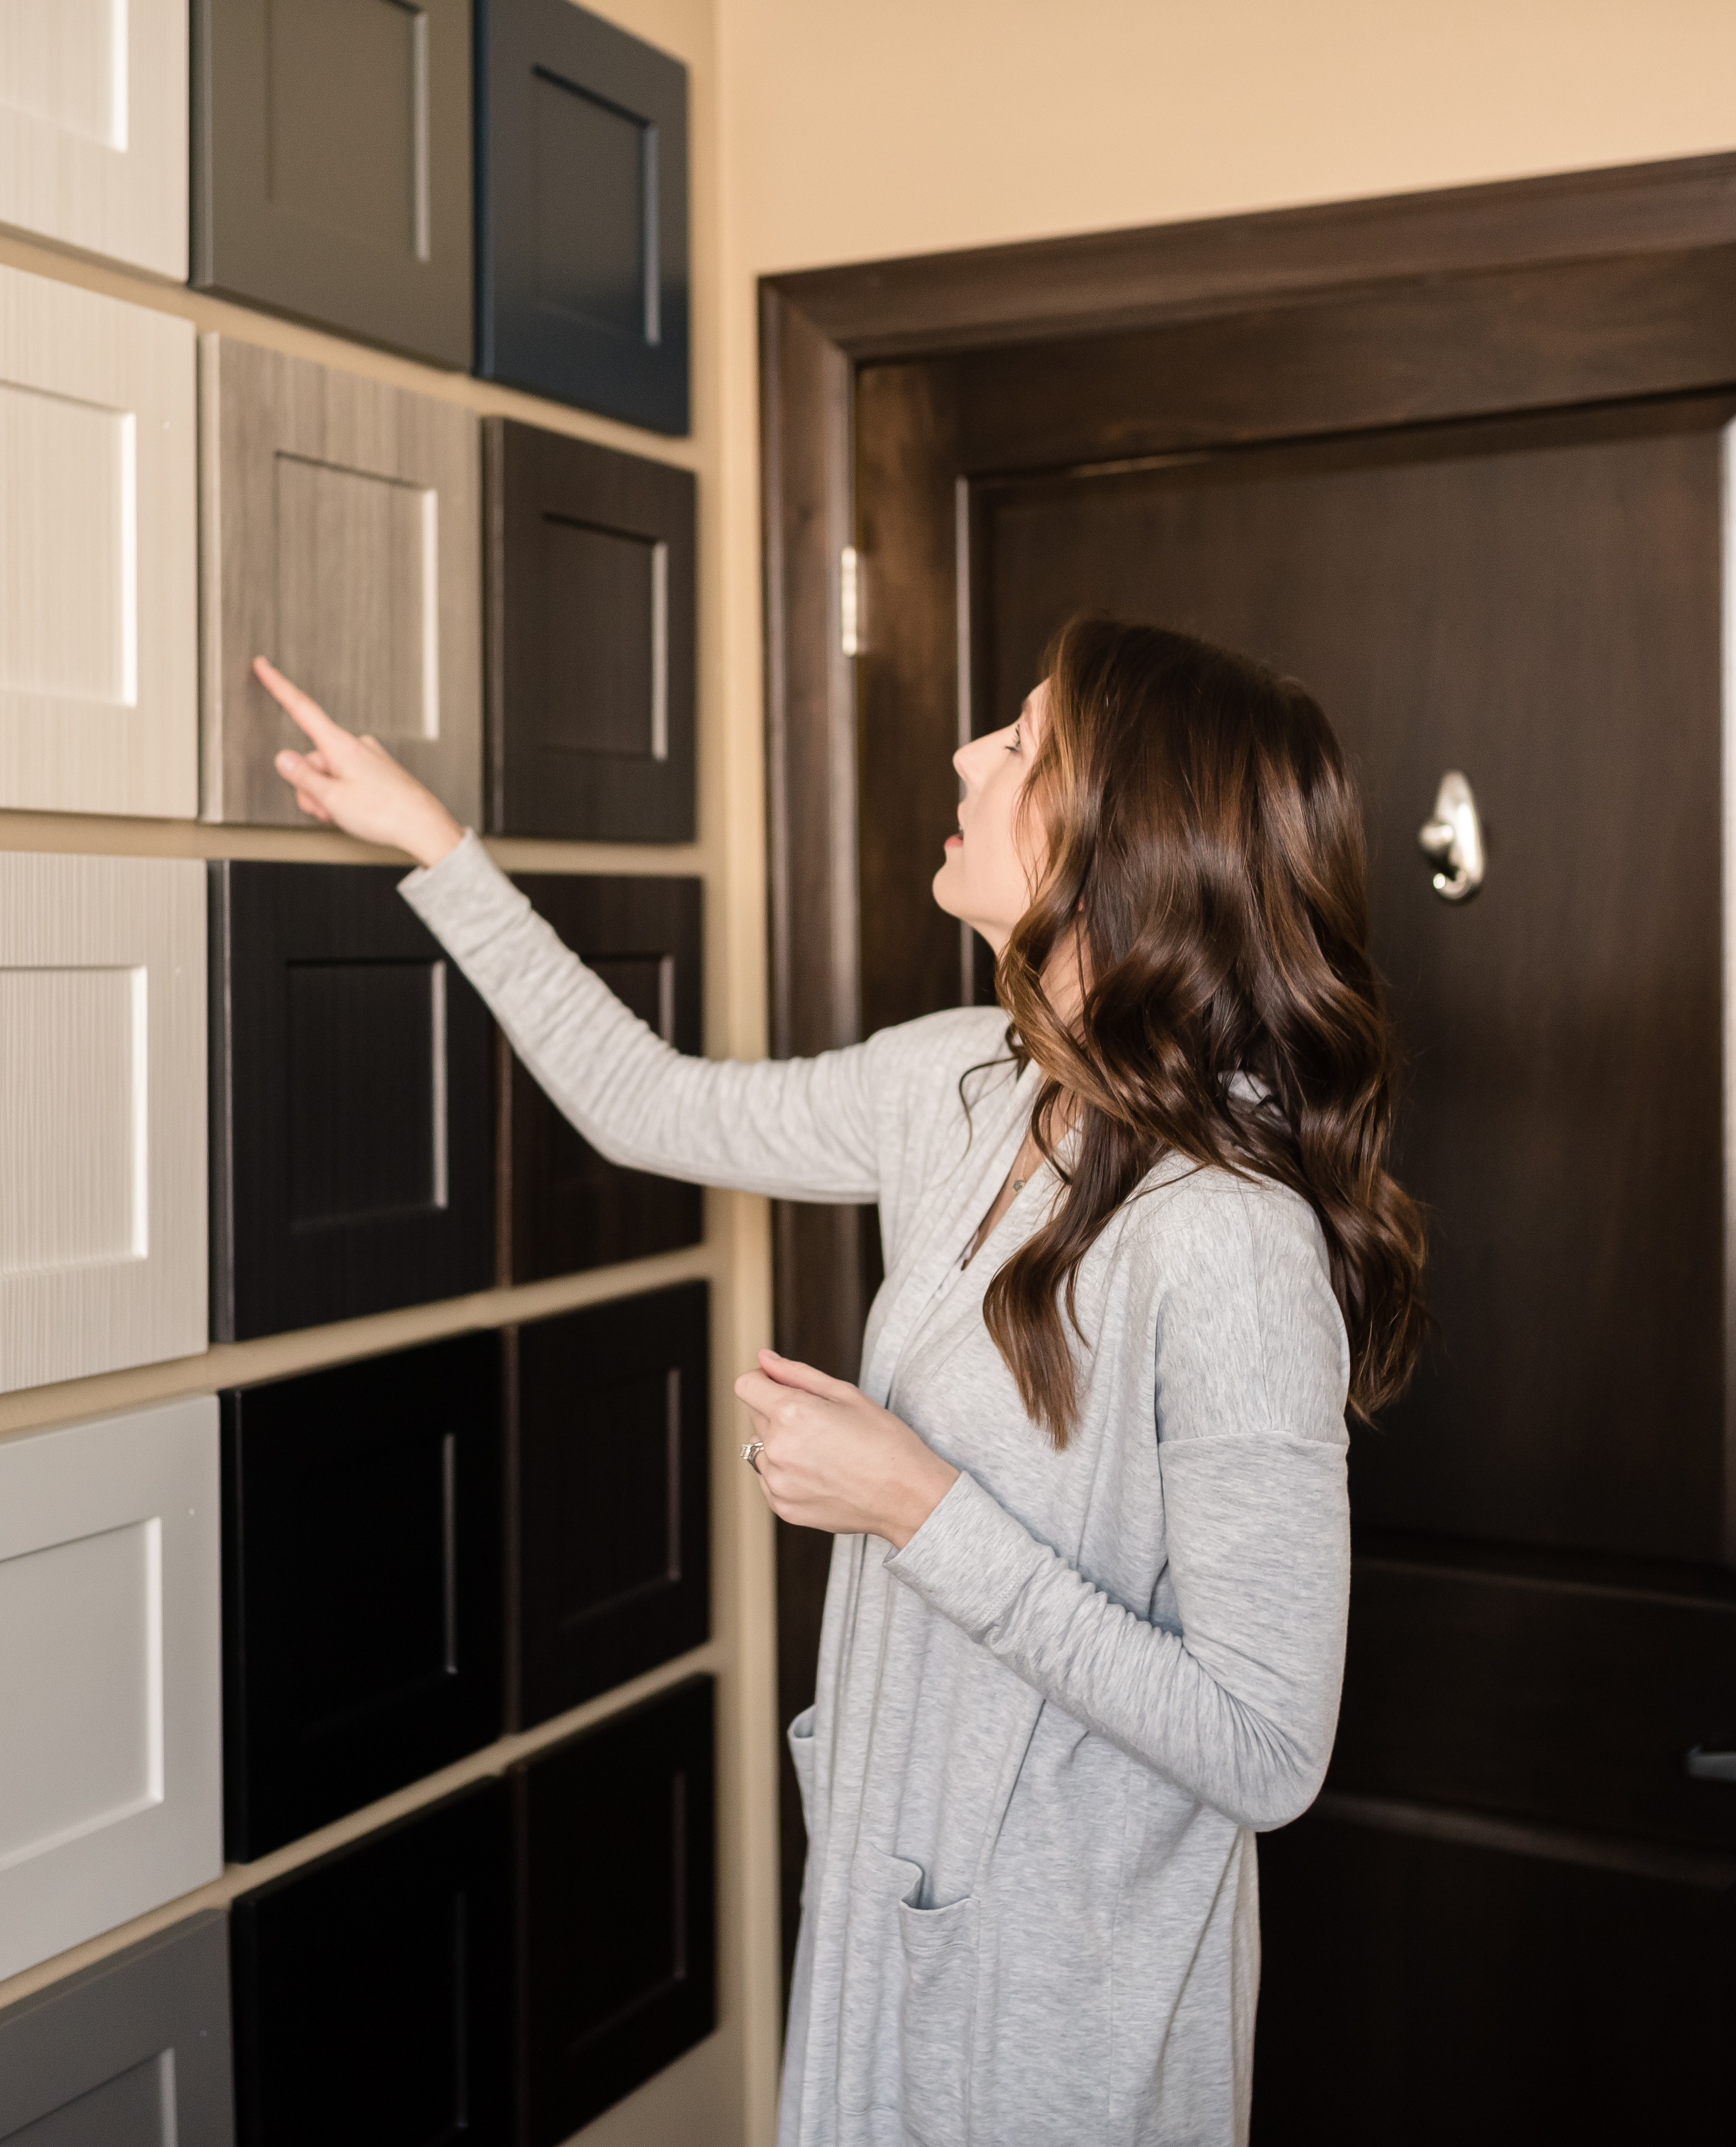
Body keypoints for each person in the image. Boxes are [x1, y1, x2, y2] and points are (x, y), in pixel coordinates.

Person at [258, 611, 1426, 2146]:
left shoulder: (1229, 1246)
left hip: (1066, 2009)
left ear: (1127, 845)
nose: (966, 756)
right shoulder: (959, 1081)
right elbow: (645, 1106)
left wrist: (916, 1507)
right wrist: (434, 849)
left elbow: (1269, 1749)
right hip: (897, 1916)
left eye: (1023, 745)